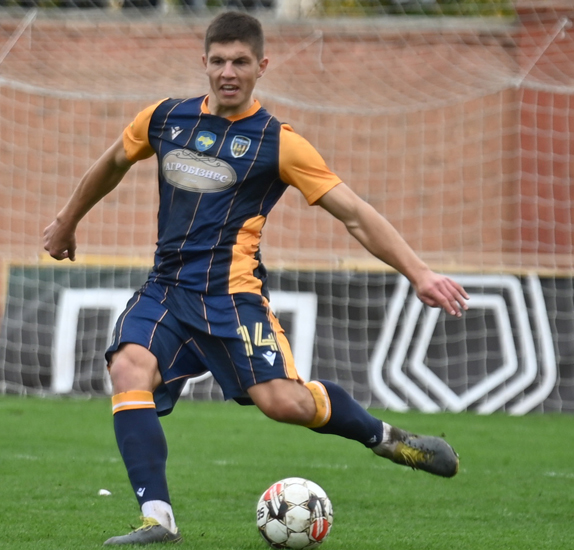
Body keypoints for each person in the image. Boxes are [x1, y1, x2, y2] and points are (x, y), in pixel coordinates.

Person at [43, 11, 467, 546]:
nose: (228, 72)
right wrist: (67, 220)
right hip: (166, 291)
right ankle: (158, 519)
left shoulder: (278, 142)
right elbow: (112, 162)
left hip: (233, 299)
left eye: (240, 62)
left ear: (261, 66)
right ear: (204, 62)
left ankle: (387, 438)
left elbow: (355, 214)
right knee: (128, 366)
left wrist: (419, 273)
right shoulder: (164, 118)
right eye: (219, 61)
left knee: (285, 403)